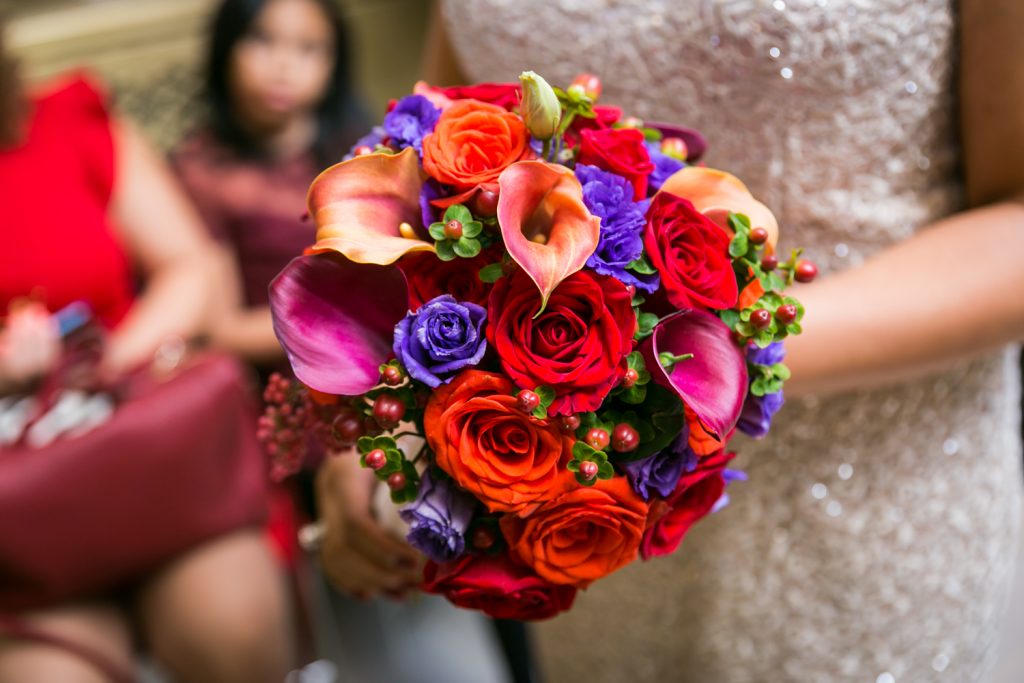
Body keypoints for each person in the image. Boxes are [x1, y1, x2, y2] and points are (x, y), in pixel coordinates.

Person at [317, 1, 1024, 682]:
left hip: (865, 494)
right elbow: (453, 133)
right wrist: (385, 407)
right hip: (582, 505)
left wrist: (687, 360)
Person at [171, 1, 513, 681]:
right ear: (225, 49)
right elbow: (212, 324)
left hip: (398, 373)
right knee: (347, 566)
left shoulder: (362, 148)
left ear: (334, 64)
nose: (282, 65)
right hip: (287, 392)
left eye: (309, 48)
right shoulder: (201, 170)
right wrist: (330, 332)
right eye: (262, 41)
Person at [0, 21, 293, 683]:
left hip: (141, 438)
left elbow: (190, 266)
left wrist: (98, 364)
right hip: (16, 506)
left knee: (235, 627)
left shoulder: (66, 119)